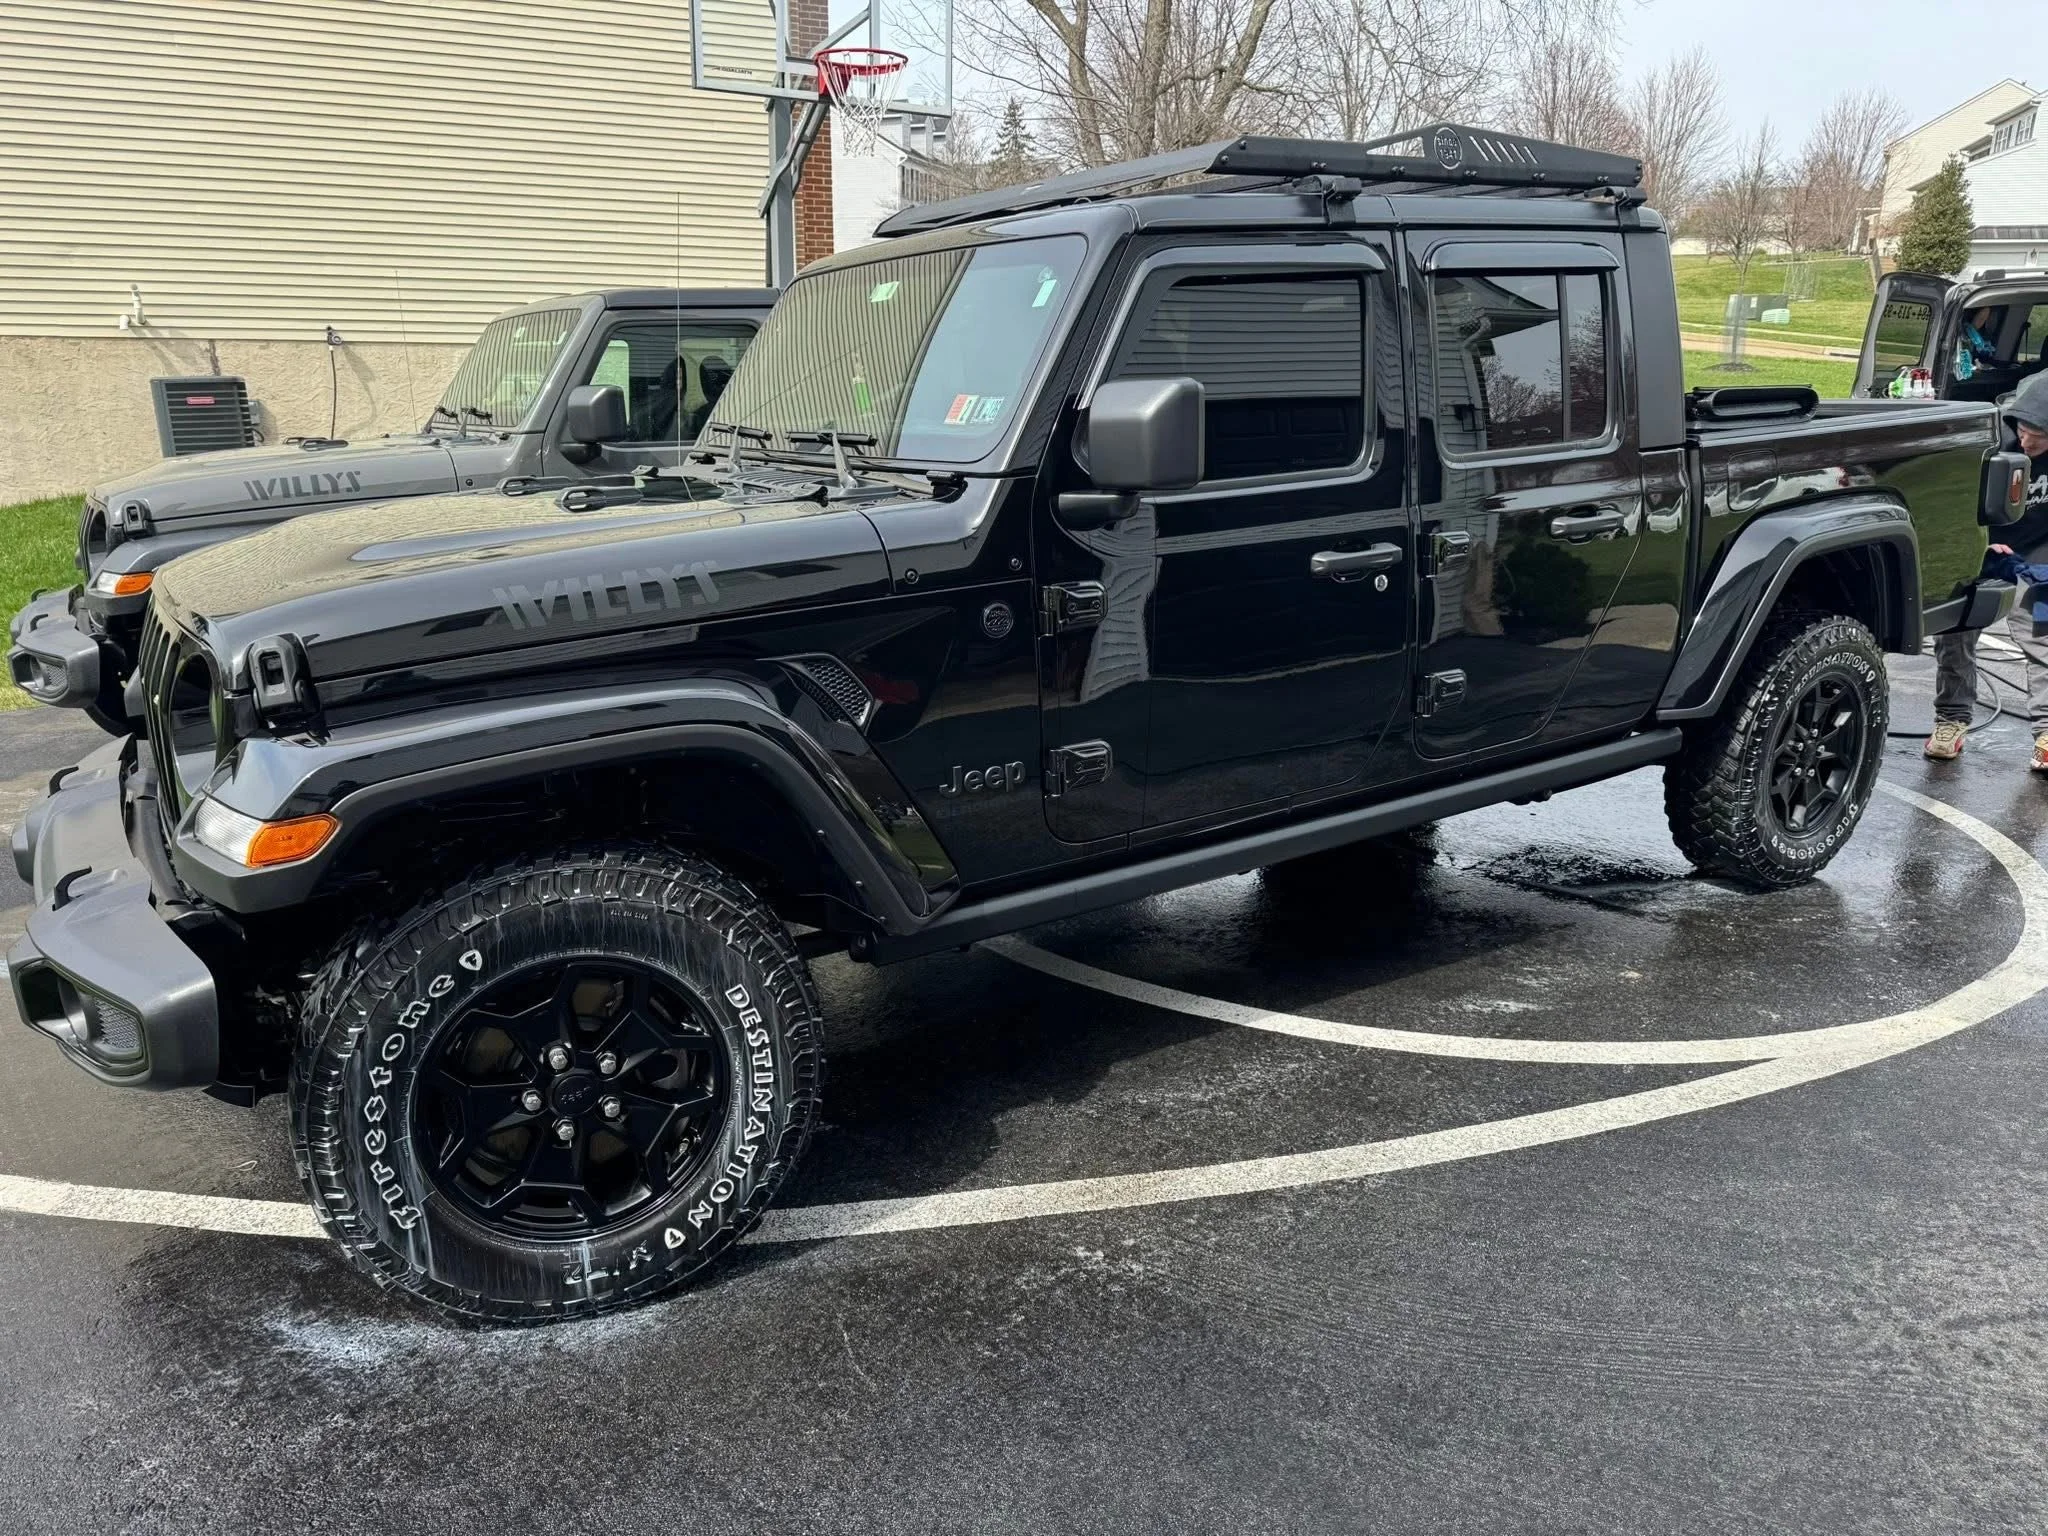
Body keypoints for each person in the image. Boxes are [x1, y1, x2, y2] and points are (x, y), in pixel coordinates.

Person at [1926, 371, 2048, 764]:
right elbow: (1947, 502)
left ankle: (2047, 733)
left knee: (2042, 633)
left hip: (2035, 550)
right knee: (1957, 632)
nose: (2028, 441)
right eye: (2024, 429)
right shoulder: (1988, 444)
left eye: (2041, 436)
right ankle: (1952, 719)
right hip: (1981, 546)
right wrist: (1978, 540)